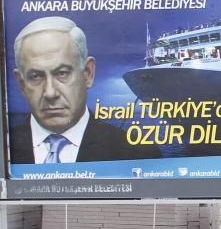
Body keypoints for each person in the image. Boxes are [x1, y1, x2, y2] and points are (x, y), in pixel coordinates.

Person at [8, 16, 162, 164]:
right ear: (21, 84)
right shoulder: (6, 149)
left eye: (62, 73)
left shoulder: (140, 155)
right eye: (36, 76)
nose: (50, 93)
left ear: (88, 73)